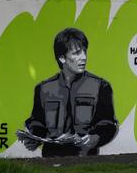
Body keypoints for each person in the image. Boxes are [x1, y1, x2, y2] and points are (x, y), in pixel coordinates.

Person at [22, 28, 118, 157]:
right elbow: (37, 122)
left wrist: (94, 138)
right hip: (50, 160)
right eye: (77, 53)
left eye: (85, 51)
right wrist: (34, 137)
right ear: (62, 58)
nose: (83, 57)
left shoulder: (101, 86)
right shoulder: (43, 89)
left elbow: (108, 125)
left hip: (86, 161)